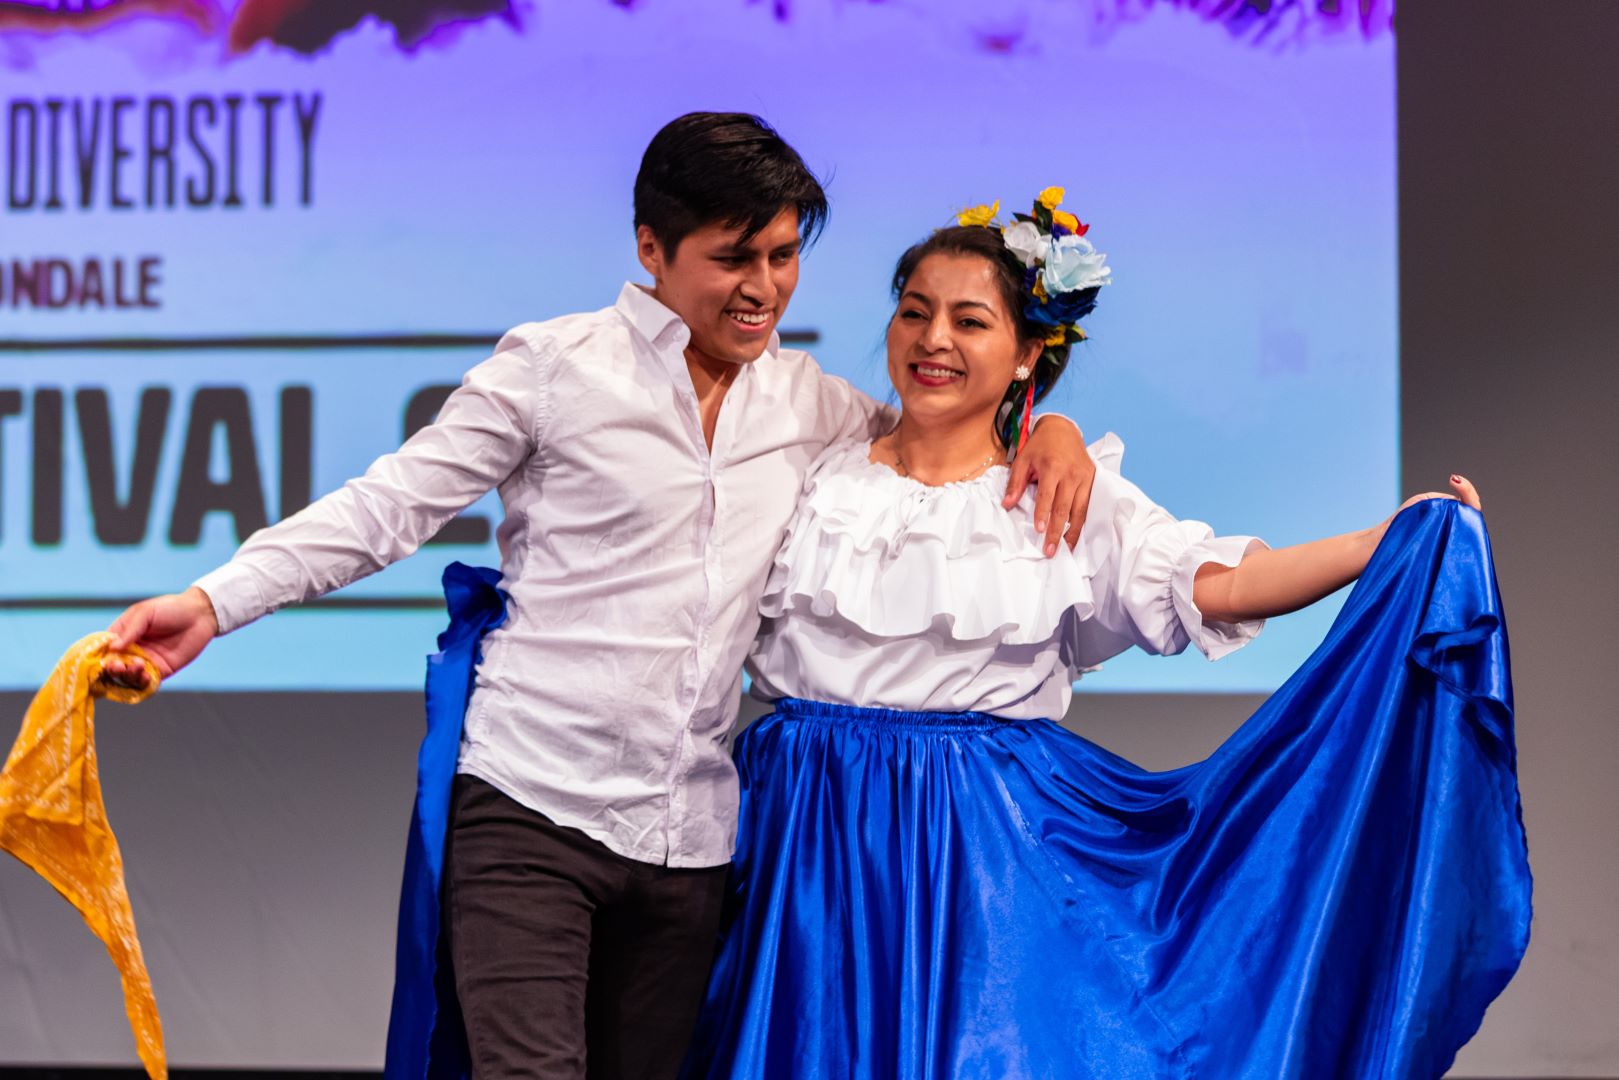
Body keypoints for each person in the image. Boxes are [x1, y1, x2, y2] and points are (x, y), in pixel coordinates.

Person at [97, 116, 1097, 1080]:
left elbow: (944, 432)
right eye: (733, 258)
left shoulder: (812, 407)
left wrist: (1044, 428)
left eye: (783, 258)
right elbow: (386, 506)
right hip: (531, 804)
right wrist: (213, 602)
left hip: (691, 843)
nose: (763, 290)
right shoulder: (555, 369)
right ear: (651, 248)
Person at [680, 193, 1531, 1078]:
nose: (933, 340)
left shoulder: (1065, 497)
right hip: (798, 829)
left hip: (976, 847)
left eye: (970, 322)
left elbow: (1221, 584)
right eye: (914, 313)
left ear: (1026, 357)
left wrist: (1379, 541)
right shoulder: (816, 461)